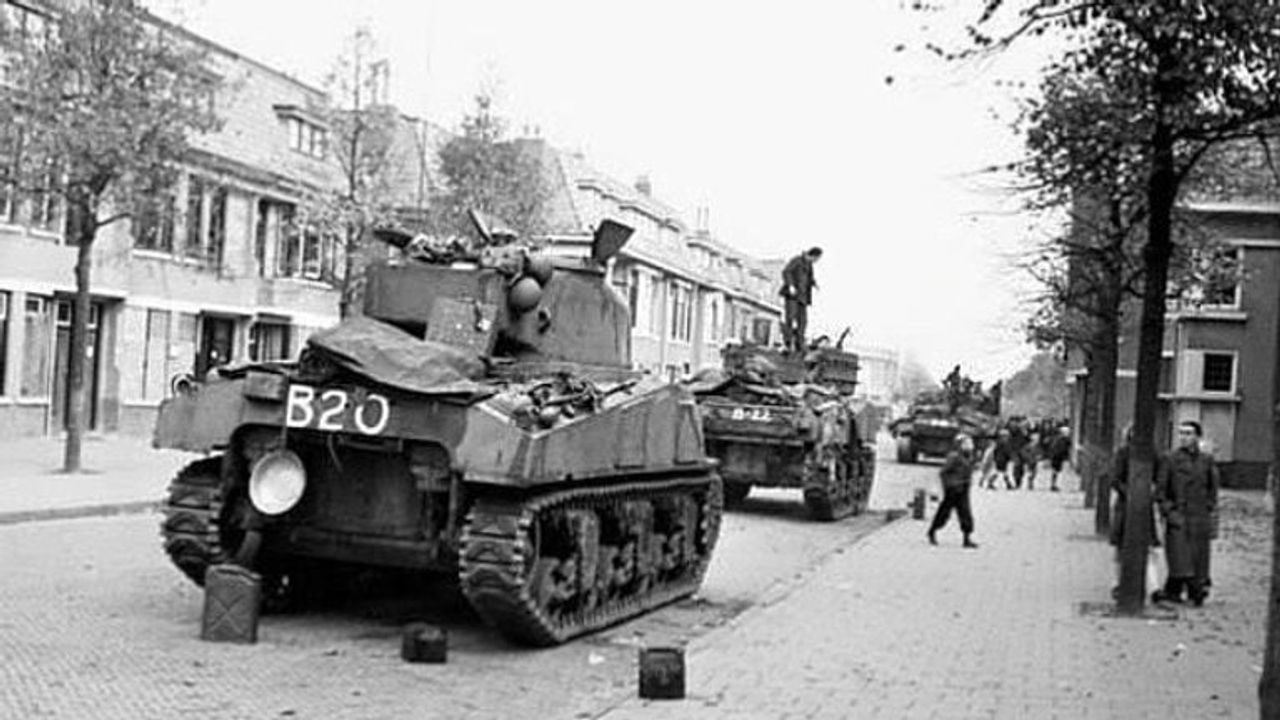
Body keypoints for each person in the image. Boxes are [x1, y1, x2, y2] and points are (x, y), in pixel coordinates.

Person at [1152, 420, 1220, 606]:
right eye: (1181, 433)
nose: (1184, 437)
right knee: (1179, 557)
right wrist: (1169, 512)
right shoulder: (1170, 459)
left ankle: (1191, 590)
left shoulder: (1206, 460)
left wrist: (1209, 507)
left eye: (1189, 433)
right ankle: (1185, 589)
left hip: (1199, 517)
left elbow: (1212, 488)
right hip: (1179, 516)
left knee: (1198, 558)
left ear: (1197, 437)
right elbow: (1160, 491)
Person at [927, 433, 979, 549]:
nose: (969, 446)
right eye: (966, 444)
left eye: (970, 444)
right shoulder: (954, 457)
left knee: (965, 513)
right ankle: (932, 531)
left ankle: (966, 538)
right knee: (944, 513)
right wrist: (948, 485)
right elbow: (943, 472)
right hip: (953, 489)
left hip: (964, 488)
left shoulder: (969, 457)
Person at [779, 247, 822, 353]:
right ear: (813, 256)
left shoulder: (809, 266)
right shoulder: (797, 260)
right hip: (792, 296)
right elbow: (786, 272)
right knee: (790, 319)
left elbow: (809, 277)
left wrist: (814, 283)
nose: (816, 261)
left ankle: (799, 344)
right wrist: (790, 285)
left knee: (802, 322)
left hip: (803, 298)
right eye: (817, 259)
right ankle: (787, 343)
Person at [1047, 425, 1073, 492]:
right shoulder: (1061, 440)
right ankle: (1054, 485)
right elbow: (1061, 449)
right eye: (1067, 432)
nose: (1068, 434)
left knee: (1056, 471)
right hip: (1057, 457)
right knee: (1057, 471)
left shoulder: (1059, 439)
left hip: (1057, 457)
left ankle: (1054, 485)